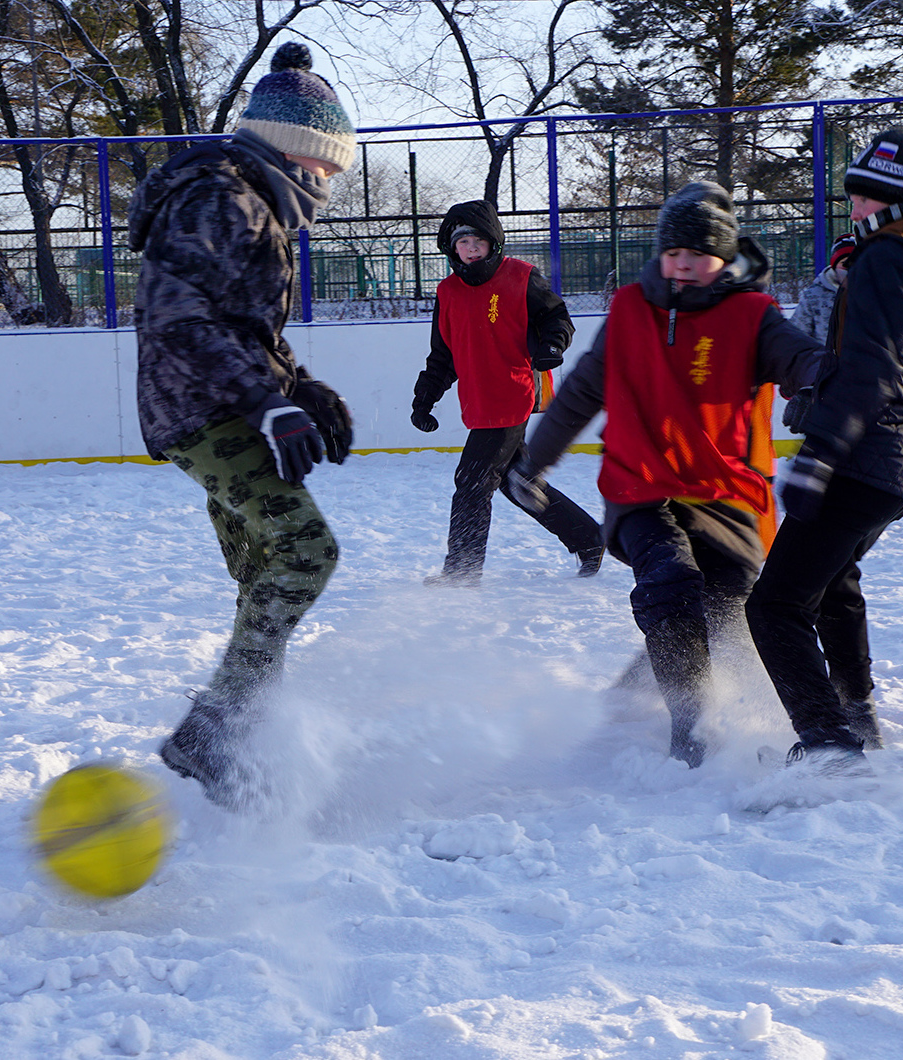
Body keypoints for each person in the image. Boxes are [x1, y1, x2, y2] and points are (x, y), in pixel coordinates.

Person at [508, 182, 826, 767]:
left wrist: (823, 379)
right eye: (674, 250)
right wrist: (535, 460)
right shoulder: (631, 309)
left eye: (699, 253)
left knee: (732, 606)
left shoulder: (751, 313)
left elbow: (799, 356)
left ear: (724, 257)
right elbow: (581, 390)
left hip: (722, 492)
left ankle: (639, 686)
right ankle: (690, 721)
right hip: (639, 486)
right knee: (672, 583)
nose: (683, 263)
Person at [126, 42, 358, 809]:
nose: (328, 182)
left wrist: (302, 388)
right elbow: (177, 317)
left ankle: (245, 731)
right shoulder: (224, 199)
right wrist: (268, 403)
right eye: (326, 166)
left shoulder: (252, 200)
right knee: (303, 550)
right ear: (296, 150)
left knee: (264, 566)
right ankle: (213, 733)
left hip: (217, 404)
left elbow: (244, 329)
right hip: (204, 410)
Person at [744, 126, 903, 771]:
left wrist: (819, 454)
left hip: (858, 459)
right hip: (897, 464)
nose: (852, 208)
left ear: (899, 199)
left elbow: (872, 369)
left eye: (865, 197)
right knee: (834, 584)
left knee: (773, 607)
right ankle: (857, 717)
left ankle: (829, 743)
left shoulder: (887, 260)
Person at [410, 199, 604, 585]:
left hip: (512, 394)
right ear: (452, 248)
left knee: (472, 481)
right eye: (461, 241)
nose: (469, 248)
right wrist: (425, 398)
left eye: (477, 241)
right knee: (516, 482)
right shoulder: (448, 292)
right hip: (478, 401)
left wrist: (552, 346)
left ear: (492, 243)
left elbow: (556, 318)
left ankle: (462, 572)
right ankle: (588, 537)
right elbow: (443, 353)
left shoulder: (521, 276)